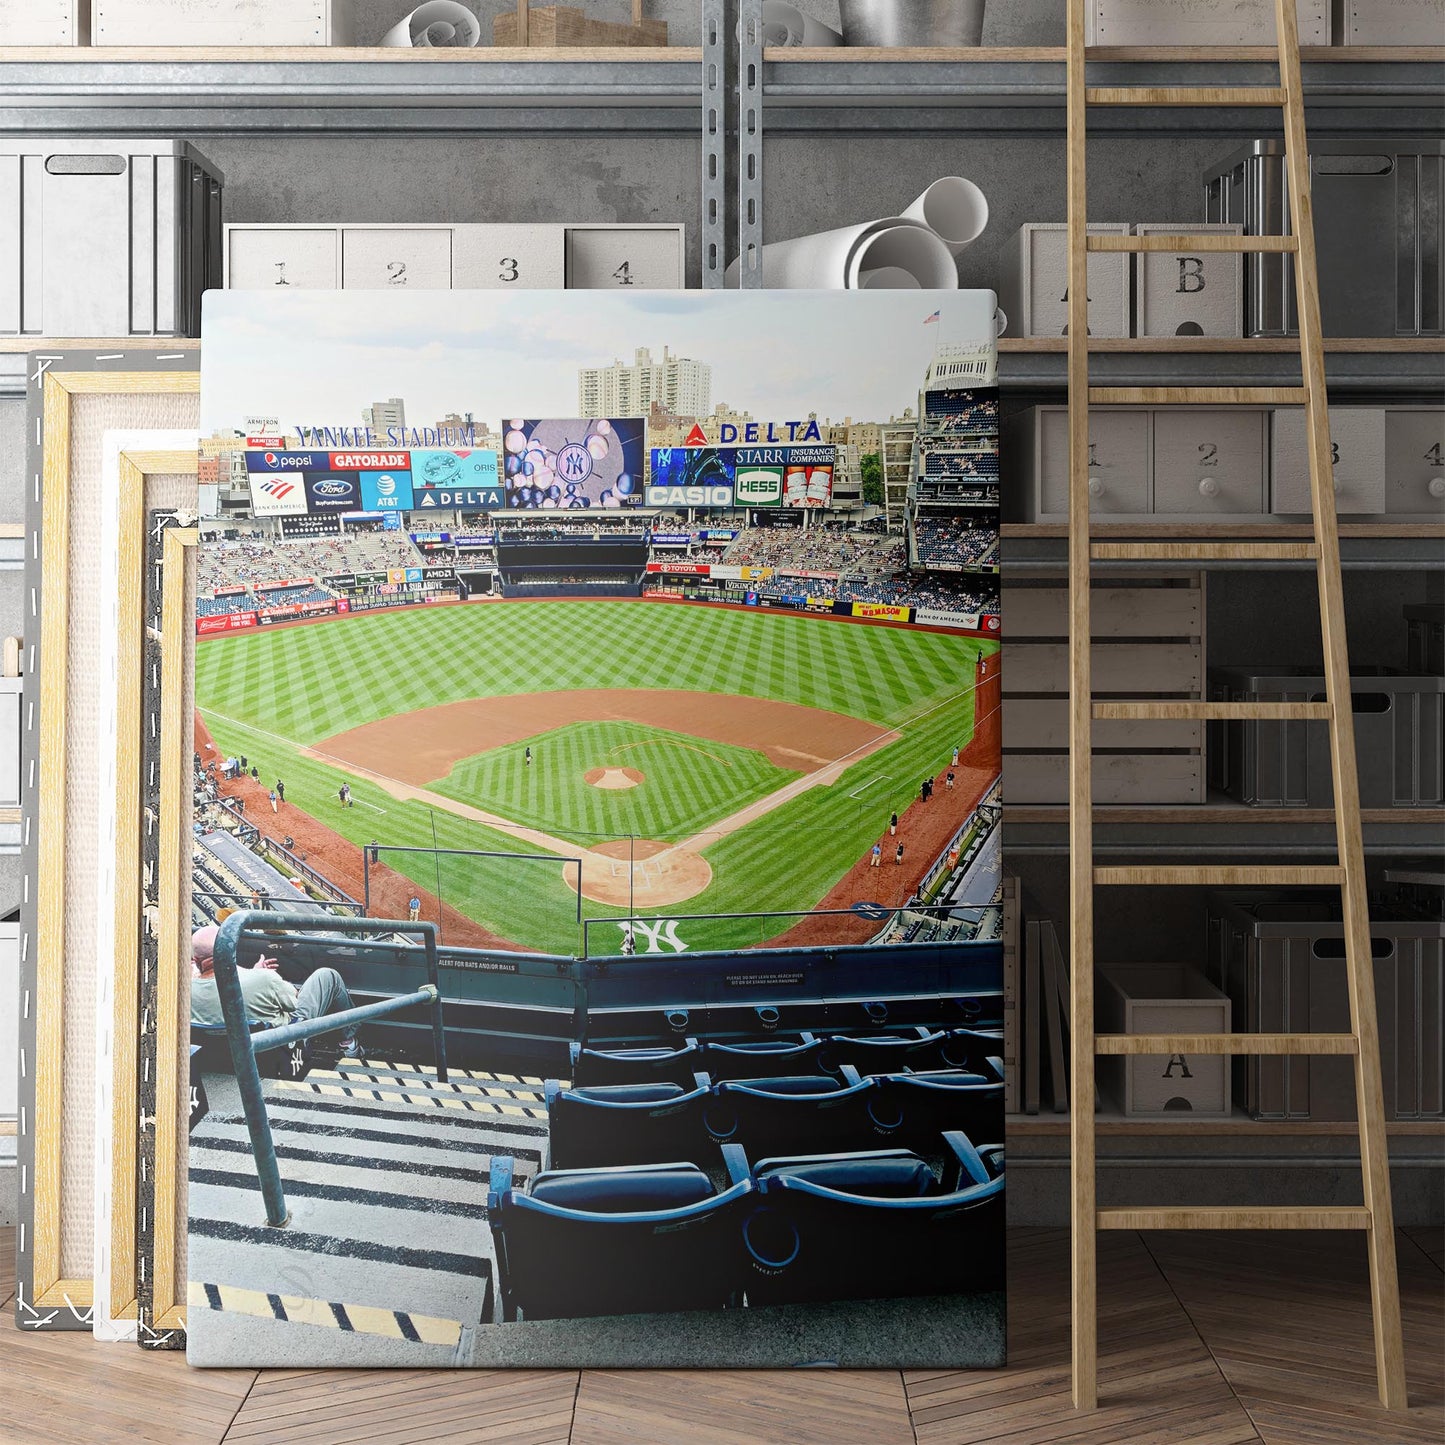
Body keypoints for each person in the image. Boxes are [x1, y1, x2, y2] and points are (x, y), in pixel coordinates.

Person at [189, 924, 361, 1057]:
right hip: (280, 1046)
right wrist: (261, 975)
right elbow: (294, 1002)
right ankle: (349, 1043)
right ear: (231, 948)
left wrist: (254, 973)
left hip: (223, 1055)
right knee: (327, 975)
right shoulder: (263, 978)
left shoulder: (183, 990)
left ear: (195, 959)